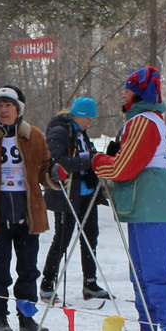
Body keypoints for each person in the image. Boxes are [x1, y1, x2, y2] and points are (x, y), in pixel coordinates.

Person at [93, 66, 166, 331]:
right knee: (140, 274)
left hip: (151, 204)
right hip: (142, 203)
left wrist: (94, 161)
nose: (123, 92)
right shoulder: (139, 120)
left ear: (140, 92)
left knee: (155, 273)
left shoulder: (144, 121)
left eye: (128, 88)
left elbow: (123, 168)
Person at [0, 86, 54, 331]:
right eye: (0, 105)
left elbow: (44, 171)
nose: (4, 110)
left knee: (28, 270)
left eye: (9, 105)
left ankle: (27, 319)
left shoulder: (34, 136)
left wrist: (55, 176)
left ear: (19, 109)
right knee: (0, 269)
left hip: (29, 210)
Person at [42, 95, 107, 302]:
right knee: (62, 240)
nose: (90, 122)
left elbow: (87, 155)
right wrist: (88, 161)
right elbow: (57, 162)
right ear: (78, 115)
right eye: (88, 118)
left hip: (86, 194)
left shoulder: (80, 132)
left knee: (90, 238)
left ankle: (90, 283)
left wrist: (99, 158)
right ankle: (47, 284)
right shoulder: (60, 130)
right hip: (67, 194)